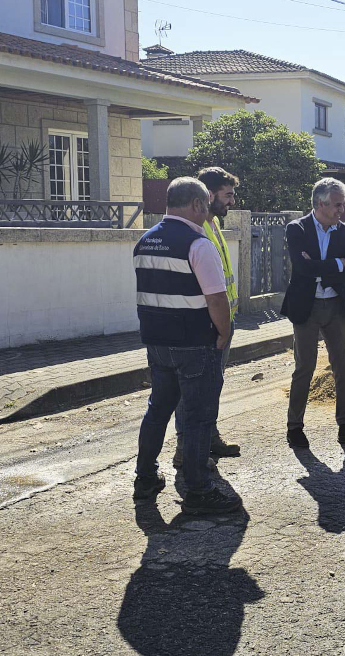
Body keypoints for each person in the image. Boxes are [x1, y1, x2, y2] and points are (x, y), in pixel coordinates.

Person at [132, 177, 242, 514]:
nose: (208, 212)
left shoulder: (145, 242)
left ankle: (145, 479)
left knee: (157, 411)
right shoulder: (198, 244)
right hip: (194, 344)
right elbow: (216, 299)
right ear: (196, 204)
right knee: (198, 418)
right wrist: (223, 333)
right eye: (205, 206)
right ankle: (198, 490)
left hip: (157, 342)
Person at [282, 177, 345, 448]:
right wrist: (337, 264)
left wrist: (319, 265)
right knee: (305, 367)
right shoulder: (297, 229)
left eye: (343, 205)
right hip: (307, 307)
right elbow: (301, 269)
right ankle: (294, 428)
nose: (341, 210)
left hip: (336, 307)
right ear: (321, 203)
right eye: (337, 205)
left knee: (343, 369)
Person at [172, 167, 241, 468]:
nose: (232, 202)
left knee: (212, 385)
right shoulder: (196, 229)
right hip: (205, 324)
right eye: (228, 195)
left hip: (221, 322)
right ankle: (185, 450)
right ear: (209, 195)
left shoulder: (212, 225)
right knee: (192, 391)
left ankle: (208, 439)